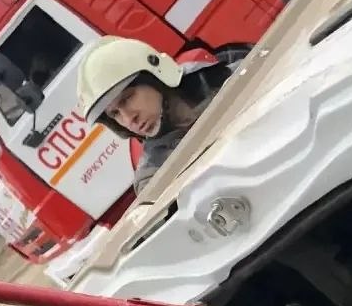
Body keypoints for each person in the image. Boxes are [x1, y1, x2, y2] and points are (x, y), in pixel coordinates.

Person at [76, 36, 248, 193]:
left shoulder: (234, 73)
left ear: (155, 76)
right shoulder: (153, 177)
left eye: (127, 98)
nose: (128, 119)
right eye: (115, 114)